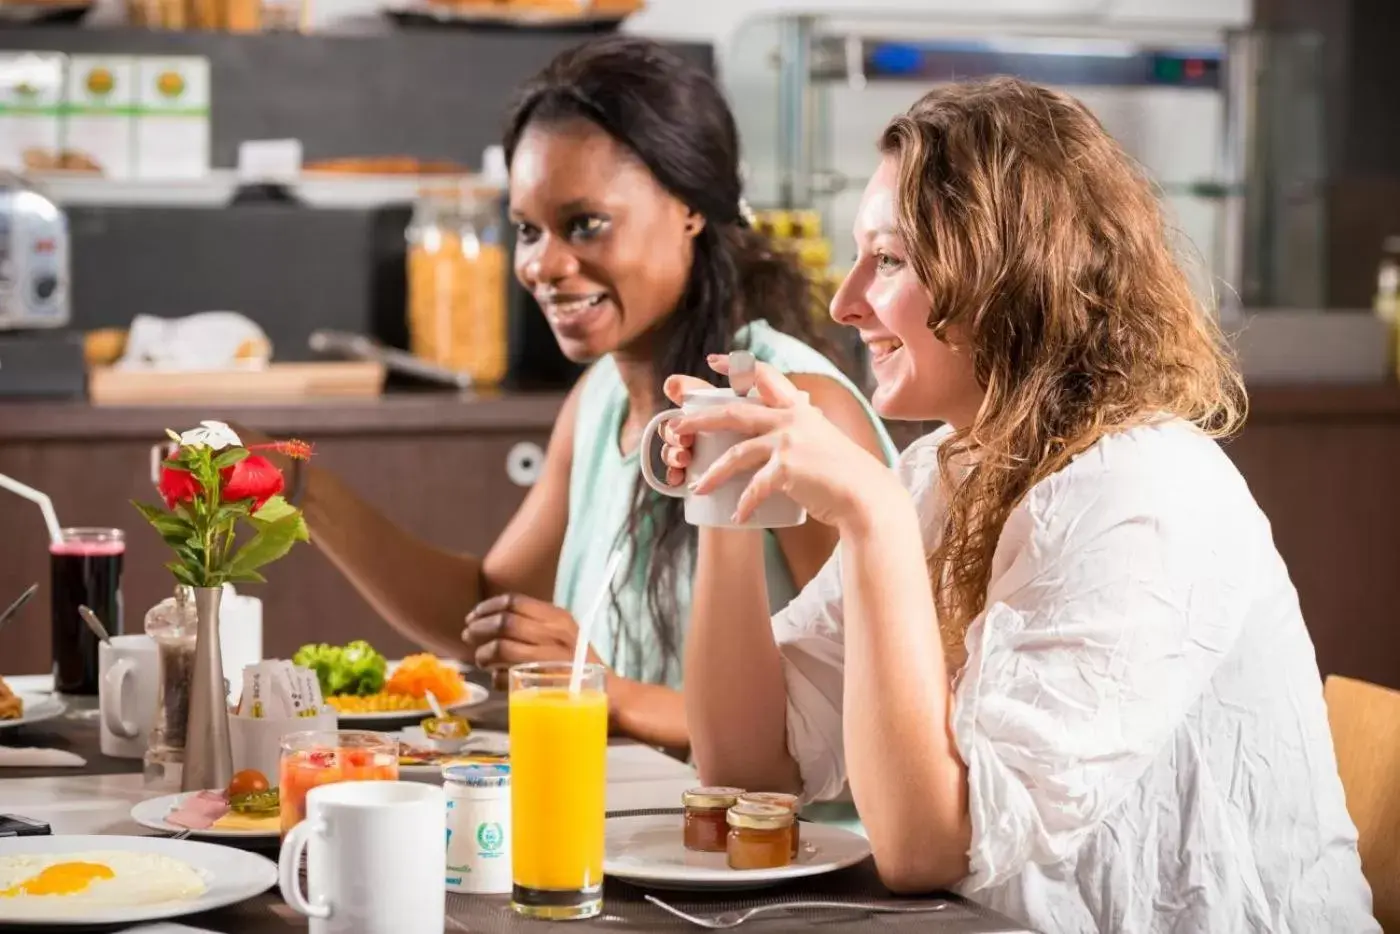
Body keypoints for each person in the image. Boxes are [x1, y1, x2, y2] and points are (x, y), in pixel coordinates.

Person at [664, 77, 1378, 931]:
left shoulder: (1144, 492)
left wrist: (872, 519)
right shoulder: (944, 471)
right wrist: (728, 496)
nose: (843, 302)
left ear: (1007, 273)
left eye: (888, 259)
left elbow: (927, 847)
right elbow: (751, 770)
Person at [246, 36, 896, 752]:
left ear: (689, 207)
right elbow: (485, 609)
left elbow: (871, 713)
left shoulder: (793, 409)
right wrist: (295, 487)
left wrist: (604, 690)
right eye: (528, 229)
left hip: (788, 855)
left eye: (585, 224)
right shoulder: (600, 401)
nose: (542, 265)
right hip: (639, 832)